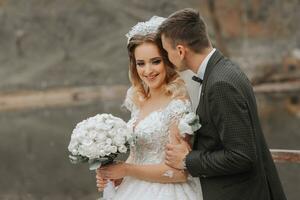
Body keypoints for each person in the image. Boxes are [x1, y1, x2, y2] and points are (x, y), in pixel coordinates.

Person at [158, 8, 287, 200]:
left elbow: (242, 156)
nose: (168, 58)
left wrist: (187, 159)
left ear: (180, 51)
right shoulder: (224, 69)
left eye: (167, 52)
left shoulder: (220, 84)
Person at [96, 16, 203, 200]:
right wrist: (115, 175)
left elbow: (179, 172)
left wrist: (127, 170)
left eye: (155, 61)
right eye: (141, 63)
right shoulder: (138, 101)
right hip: (133, 190)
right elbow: (138, 155)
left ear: (168, 60)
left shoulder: (178, 105)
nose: (148, 71)